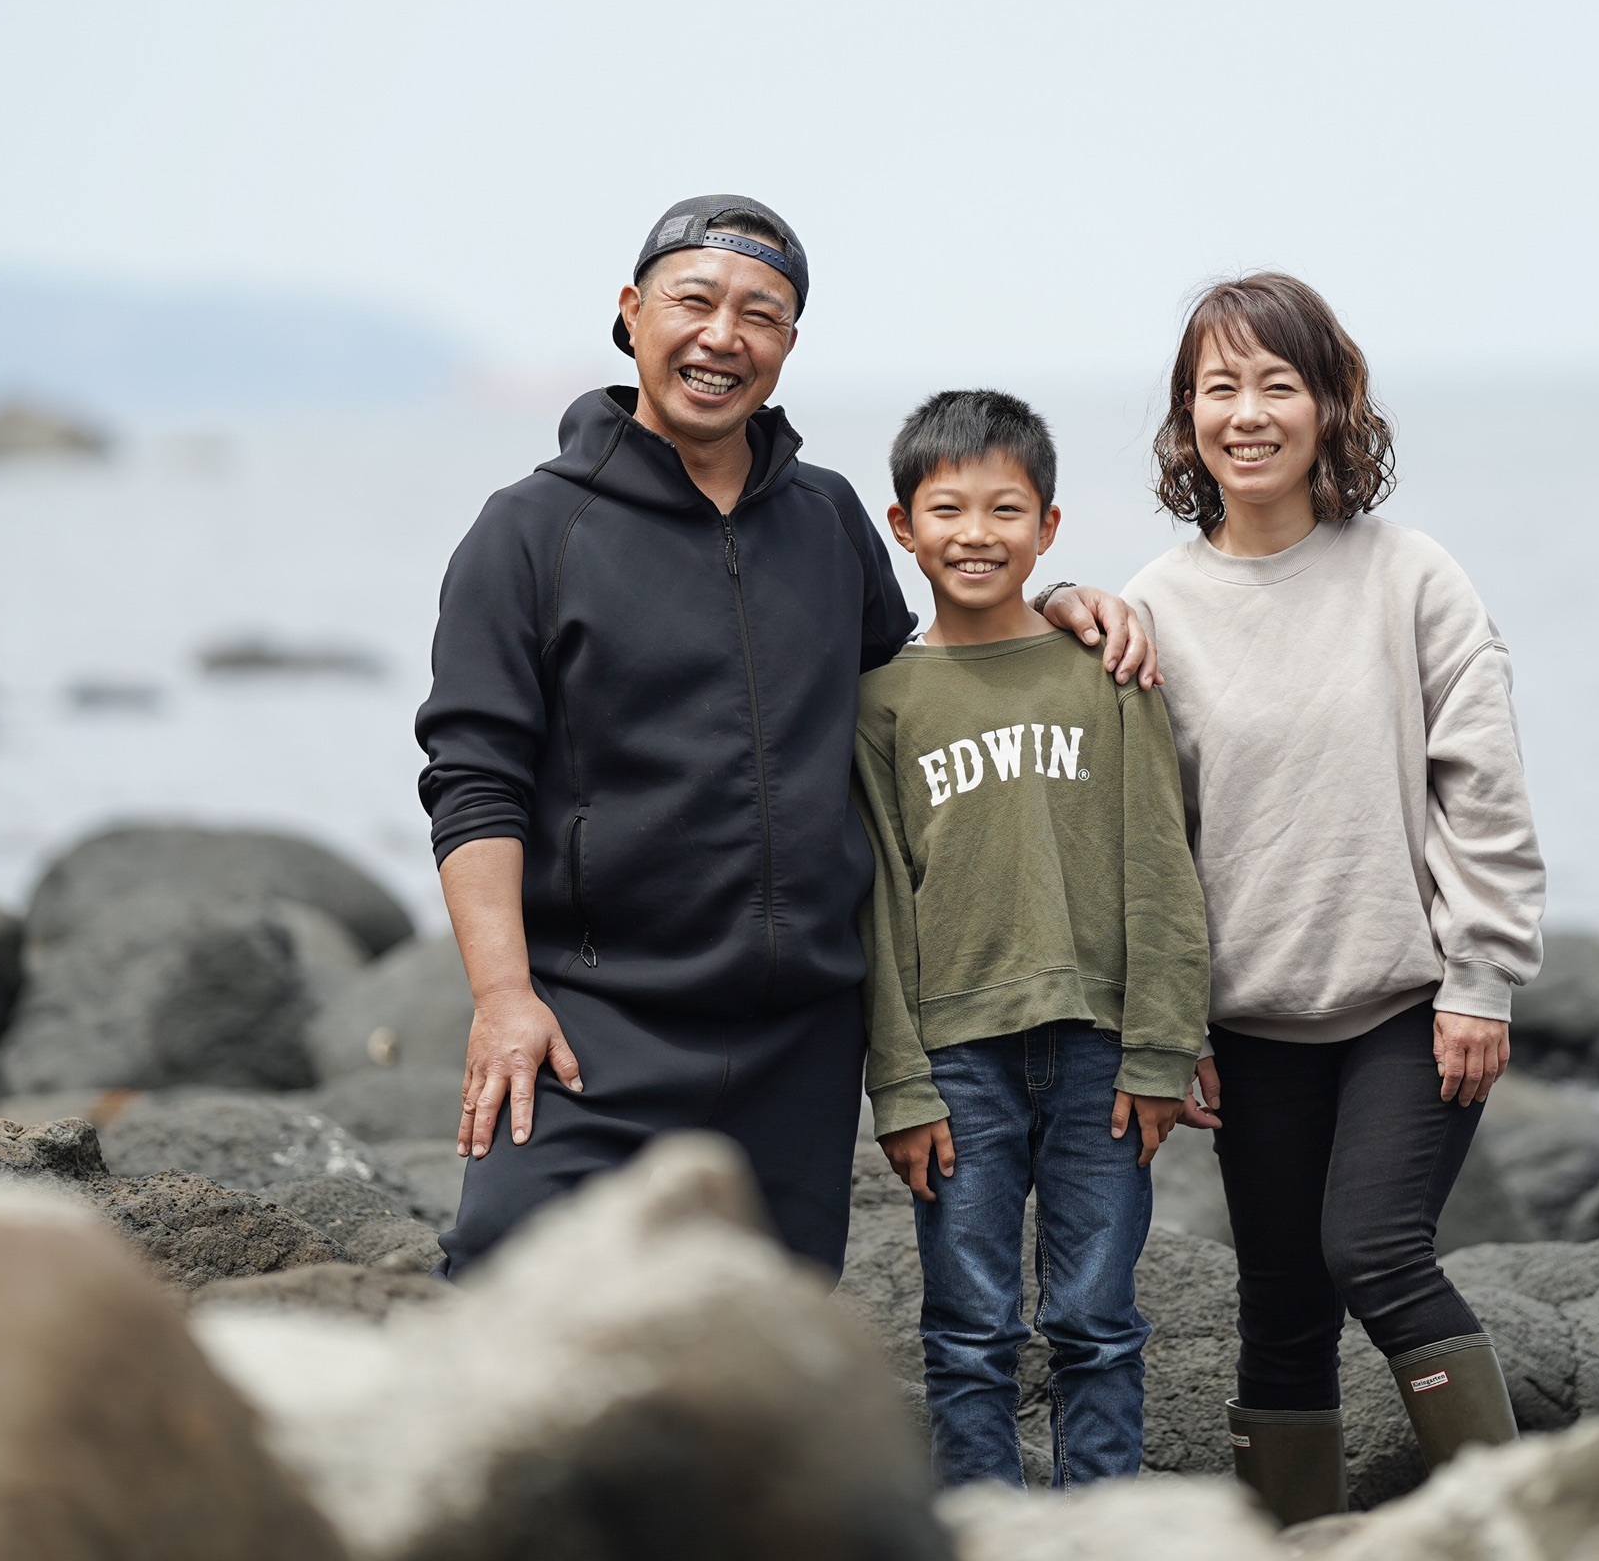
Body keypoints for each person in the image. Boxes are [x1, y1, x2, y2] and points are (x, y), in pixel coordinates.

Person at [415, 198, 1155, 1277]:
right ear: (631, 314)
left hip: (802, 1033)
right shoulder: (529, 531)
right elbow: (472, 777)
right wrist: (502, 997)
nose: (724, 335)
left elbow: (916, 697)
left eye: (760, 313)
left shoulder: (826, 516)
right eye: (694, 300)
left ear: (787, 347)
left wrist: (1049, 613)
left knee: (759, 1344)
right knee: (501, 1268)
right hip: (598, 1016)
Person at [1122, 272, 1546, 1525]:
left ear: (1326, 405)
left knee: (1373, 1248)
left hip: (1407, 1010)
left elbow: (1483, 787)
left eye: (1274, 383)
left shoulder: (1408, 577)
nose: (1244, 413)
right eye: (1217, 387)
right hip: (1249, 1030)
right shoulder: (1151, 607)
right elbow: (1148, 841)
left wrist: (1481, 976)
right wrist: (1172, 1022)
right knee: (1281, 1310)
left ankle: (1523, 1520)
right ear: (1185, 417)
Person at [856, 390, 1210, 1488]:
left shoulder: (1106, 671)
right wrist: (899, 1084)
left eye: (1004, 507)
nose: (975, 533)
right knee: (967, 1327)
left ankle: (1104, 1523)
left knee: (1098, 1316)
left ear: (1047, 525)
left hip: (1101, 1052)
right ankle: (986, 1525)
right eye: (946, 508)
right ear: (900, 525)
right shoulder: (882, 701)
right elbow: (877, 904)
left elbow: (1160, 865)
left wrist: (1161, 1045)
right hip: (956, 1059)